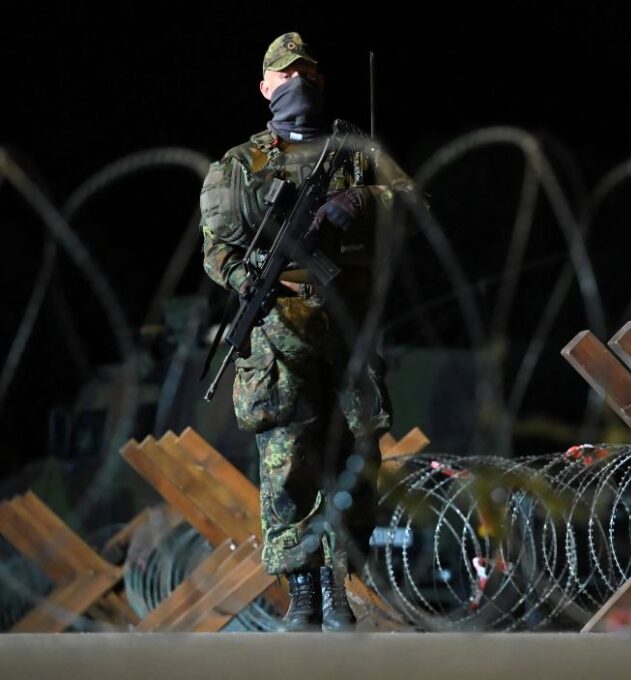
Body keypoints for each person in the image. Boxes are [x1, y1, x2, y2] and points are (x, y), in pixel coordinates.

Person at [199, 31, 416, 632]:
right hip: (279, 334)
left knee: (354, 456)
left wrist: (363, 200)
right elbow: (216, 249)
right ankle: (302, 591)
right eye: (286, 75)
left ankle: (338, 587)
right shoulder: (239, 166)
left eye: (308, 74)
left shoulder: (356, 152)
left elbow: (413, 203)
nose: (299, 83)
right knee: (287, 461)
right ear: (265, 87)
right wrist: (244, 277)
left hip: (348, 327)